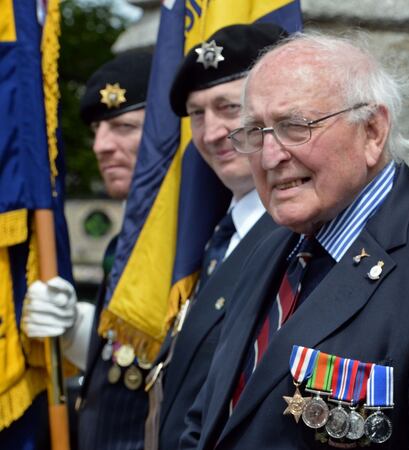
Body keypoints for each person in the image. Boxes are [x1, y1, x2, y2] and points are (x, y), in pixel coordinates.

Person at [180, 32, 409, 449]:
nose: (270, 156)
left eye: (295, 127)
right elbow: (207, 423)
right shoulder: (272, 246)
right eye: (255, 132)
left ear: (372, 131)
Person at [142, 22, 286, 450]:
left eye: (228, 108)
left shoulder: (297, 234)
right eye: (197, 114)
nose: (209, 133)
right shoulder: (216, 235)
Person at [21, 49, 153, 449]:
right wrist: (77, 328)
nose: (100, 146)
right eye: (97, 129)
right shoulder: (124, 239)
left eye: (123, 126)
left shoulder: (200, 236)